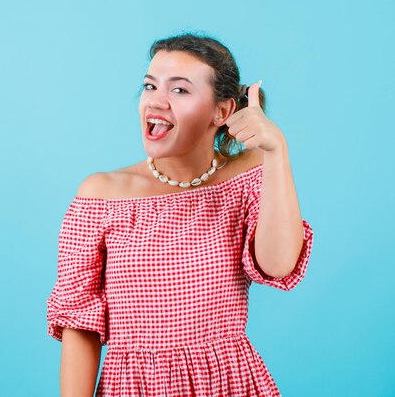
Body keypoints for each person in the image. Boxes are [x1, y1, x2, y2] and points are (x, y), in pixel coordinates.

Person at [46, 31, 314, 397]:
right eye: (150, 86)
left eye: (179, 90)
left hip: (229, 384)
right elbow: (80, 324)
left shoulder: (250, 175)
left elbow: (279, 264)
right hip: (135, 387)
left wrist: (277, 150)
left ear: (222, 112)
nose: (156, 102)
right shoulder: (100, 196)